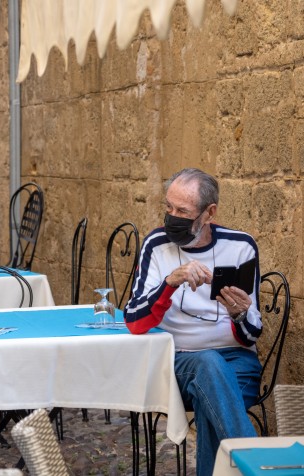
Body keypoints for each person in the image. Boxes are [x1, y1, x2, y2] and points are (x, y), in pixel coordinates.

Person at [124, 168, 263, 476]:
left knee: (211, 391)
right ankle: (258, 464)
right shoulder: (157, 245)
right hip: (177, 366)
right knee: (208, 365)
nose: (172, 217)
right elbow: (134, 321)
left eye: (182, 211)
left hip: (238, 364)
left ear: (209, 213)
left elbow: (252, 334)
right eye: (169, 208)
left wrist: (238, 314)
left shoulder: (241, 247)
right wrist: (170, 283)